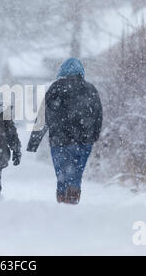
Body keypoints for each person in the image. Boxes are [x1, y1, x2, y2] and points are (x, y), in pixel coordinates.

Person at [27, 58, 102, 204]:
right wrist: (94, 136)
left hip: (59, 140)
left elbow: (43, 117)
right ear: (81, 72)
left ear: (62, 72)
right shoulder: (91, 89)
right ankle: (73, 199)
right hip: (84, 141)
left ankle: (62, 201)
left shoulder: (55, 88)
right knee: (76, 173)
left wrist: (33, 143)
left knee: (62, 173)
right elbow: (98, 115)